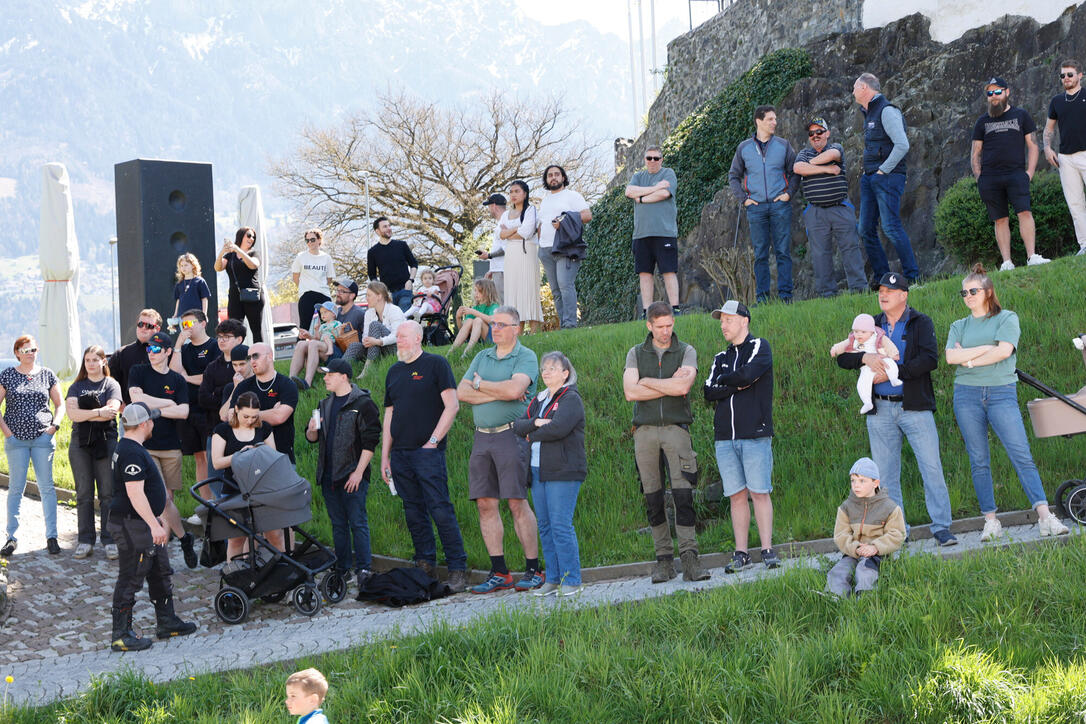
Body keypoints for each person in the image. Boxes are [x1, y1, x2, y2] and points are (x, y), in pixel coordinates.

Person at [945, 264, 1070, 540]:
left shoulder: (1007, 318)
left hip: (1001, 393)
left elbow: (1003, 352)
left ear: (988, 291)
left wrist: (967, 356)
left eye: (973, 290)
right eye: (963, 292)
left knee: (1021, 454)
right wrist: (978, 352)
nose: (967, 296)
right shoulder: (958, 325)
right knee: (978, 460)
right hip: (966, 395)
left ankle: (1045, 517)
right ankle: (990, 521)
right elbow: (950, 358)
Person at [835, 272, 958, 547]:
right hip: (879, 410)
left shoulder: (920, 322)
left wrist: (893, 373)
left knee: (931, 468)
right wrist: (864, 357)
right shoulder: (870, 324)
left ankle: (942, 528)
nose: (883, 294)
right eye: (880, 290)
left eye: (890, 290)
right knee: (886, 477)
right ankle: (898, 533)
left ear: (904, 295)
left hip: (914, 407)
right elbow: (843, 357)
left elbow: (929, 359)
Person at [456, 306, 542, 593]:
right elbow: (461, 392)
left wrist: (481, 385)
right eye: (493, 324)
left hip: (510, 436)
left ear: (516, 328)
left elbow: (515, 392)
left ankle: (533, 569)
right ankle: (500, 572)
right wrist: (494, 389)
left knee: (517, 501)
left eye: (502, 325)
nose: (495, 329)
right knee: (485, 503)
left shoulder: (526, 356)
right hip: (482, 438)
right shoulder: (483, 356)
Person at [380, 322, 468, 593]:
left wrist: (433, 442)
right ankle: (425, 564)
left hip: (427, 454)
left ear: (418, 338)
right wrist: (385, 456)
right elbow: (389, 415)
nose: (399, 342)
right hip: (400, 455)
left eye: (403, 337)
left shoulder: (436, 365)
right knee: (413, 512)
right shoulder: (393, 372)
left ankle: (457, 569)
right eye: (397, 338)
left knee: (440, 508)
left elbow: (452, 406)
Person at [623, 302, 708, 583]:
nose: (665, 331)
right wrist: (662, 383)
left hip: (676, 430)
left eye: (669, 325)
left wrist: (646, 382)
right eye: (660, 327)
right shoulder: (636, 353)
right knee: (652, 497)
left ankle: (690, 558)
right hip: (644, 432)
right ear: (649, 325)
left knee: (684, 495)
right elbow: (629, 392)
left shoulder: (686, 351)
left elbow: (683, 387)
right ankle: (663, 560)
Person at [106, 402, 197, 652]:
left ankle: (166, 622)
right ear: (144, 424)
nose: (154, 423)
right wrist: (152, 524)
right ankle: (121, 634)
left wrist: (155, 519)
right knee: (131, 576)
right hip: (131, 524)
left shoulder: (132, 447)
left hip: (142, 522)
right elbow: (134, 493)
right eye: (152, 420)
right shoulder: (132, 452)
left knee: (159, 570)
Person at [704, 300, 779, 573]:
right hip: (725, 437)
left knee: (759, 492)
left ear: (744, 321)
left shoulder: (760, 346)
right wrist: (736, 384)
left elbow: (750, 372)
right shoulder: (719, 358)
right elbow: (708, 391)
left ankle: (768, 549)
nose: (723, 325)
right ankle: (741, 553)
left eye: (728, 319)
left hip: (755, 433)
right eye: (721, 320)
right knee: (736, 496)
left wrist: (728, 380)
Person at [512, 351, 586, 597]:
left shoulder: (570, 397)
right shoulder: (540, 399)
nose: (546, 372)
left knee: (561, 525)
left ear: (565, 373)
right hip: (537, 469)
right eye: (544, 368)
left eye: (552, 368)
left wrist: (531, 432)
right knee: (544, 526)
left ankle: (572, 580)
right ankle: (553, 579)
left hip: (563, 470)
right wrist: (535, 423)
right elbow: (518, 425)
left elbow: (559, 429)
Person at [304, 358, 382, 591]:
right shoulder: (323, 404)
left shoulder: (363, 403)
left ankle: (364, 569)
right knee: (338, 524)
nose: (325, 378)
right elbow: (313, 439)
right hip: (329, 476)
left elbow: (371, 442)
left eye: (329, 374)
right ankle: (343, 568)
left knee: (358, 522)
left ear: (344, 376)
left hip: (353, 474)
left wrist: (358, 473)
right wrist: (310, 430)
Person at [128, 330, 198, 568]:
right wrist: (168, 403)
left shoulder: (177, 380)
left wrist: (154, 408)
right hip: (145, 446)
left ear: (168, 351)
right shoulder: (138, 371)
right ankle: (160, 552)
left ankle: (181, 539)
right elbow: (137, 400)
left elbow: (184, 412)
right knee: (156, 498)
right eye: (149, 348)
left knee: (167, 500)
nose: (151, 353)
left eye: (156, 349)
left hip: (171, 446)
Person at [971, 76, 1048, 270]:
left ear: (1007, 92)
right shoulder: (982, 122)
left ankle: (1032, 256)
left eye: (998, 92)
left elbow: (1033, 146)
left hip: (1016, 174)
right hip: (990, 178)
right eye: (990, 93)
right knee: (1000, 219)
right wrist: (980, 178)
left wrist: (1029, 172)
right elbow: (975, 153)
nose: (994, 96)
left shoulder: (1021, 115)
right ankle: (1007, 262)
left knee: (1024, 212)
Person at [852, 72, 920, 285]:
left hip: (887, 178)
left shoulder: (887, 110)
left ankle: (912, 277)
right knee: (865, 229)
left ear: (864, 88)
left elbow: (902, 144)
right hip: (871, 178)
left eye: (855, 87)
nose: (852, 92)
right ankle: (883, 278)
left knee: (891, 227)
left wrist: (883, 171)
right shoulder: (869, 113)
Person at [727, 105, 799, 303]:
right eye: (770, 119)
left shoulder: (783, 145)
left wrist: (788, 194)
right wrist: (744, 199)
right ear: (759, 121)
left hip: (779, 205)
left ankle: (786, 297)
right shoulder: (744, 148)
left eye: (775, 119)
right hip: (756, 208)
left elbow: (794, 173)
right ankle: (763, 299)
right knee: (760, 254)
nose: (774, 122)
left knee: (783, 251)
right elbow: (733, 176)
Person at [1, 335, 63, 556]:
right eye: (25, 350)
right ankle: (11, 538)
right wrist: (7, 433)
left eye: (33, 349)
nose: (30, 353)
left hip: (42, 440)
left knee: (47, 487)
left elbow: (60, 405)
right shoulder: (7, 375)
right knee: (16, 488)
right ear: (17, 352)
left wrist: (54, 427)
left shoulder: (47, 374)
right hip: (16, 440)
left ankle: (52, 536)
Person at [792, 117, 868, 297]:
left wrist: (810, 165)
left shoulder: (836, 148)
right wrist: (826, 169)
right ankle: (828, 294)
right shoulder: (803, 153)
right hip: (816, 211)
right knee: (820, 255)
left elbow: (831, 156)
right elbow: (797, 168)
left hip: (840, 207)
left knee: (851, 249)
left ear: (827, 133)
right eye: (811, 133)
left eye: (819, 131)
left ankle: (859, 291)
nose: (815, 136)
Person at [65, 345, 122, 560]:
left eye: (94, 360)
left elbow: (112, 412)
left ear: (103, 362)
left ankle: (110, 540)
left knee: (108, 493)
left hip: (106, 443)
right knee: (84, 494)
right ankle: (85, 540)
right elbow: (72, 415)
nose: (90, 363)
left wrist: (86, 413)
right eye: (87, 360)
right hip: (80, 445)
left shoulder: (112, 385)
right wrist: (98, 411)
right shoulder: (76, 386)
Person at [210, 391, 282, 561]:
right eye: (246, 416)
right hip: (233, 489)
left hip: (260, 488)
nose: (250, 420)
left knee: (275, 534)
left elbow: (274, 457)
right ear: (236, 410)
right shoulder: (223, 430)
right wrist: (239, 455)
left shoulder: (263, 428)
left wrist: (259, 452)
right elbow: (217, 462)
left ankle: (281, 569)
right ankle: (233, 574)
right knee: (236, 539)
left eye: (254, 416)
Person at [827, 457, 905, 598]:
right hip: (853, 552)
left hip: (878, 554)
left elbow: (897, 534)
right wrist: (855, 548)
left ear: (875, 483)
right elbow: (840, 535)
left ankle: (865, 595)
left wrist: (875, 547)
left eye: (862, 481)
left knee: (865, 569)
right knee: (840, 570)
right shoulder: (846, 507)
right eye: (853, 480)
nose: (856, 485)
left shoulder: (889, 507)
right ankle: (835, 596)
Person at [170, 308, 220, 505]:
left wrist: (187, 378)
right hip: (188, 410)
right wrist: (179, 344)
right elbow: (175, 374)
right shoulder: (185, 349)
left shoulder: (214, 346)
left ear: (203, 323)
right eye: (183, 325)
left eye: (190, 323)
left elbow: (210, 378)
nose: (186, 328)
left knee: (211, 458)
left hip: (208, 410)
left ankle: (218, 504)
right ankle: (205, 506)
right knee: (199, 457)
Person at [625, 145, 680, 315]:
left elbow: (664, 194)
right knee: (644, 273)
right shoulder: (638, 176)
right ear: (645, 160)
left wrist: (640, 198)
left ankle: (675, 309)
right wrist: (656, 188)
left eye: (656, 158)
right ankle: (646, 312)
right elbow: (629, 192)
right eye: (649, 158)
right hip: (641, 234)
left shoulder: (668, 173)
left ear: (661, 160)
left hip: (664, 232)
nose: (653, 161)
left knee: (669, 271)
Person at [538, 165, 592, 328]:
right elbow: (541, 224)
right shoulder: (545, 200)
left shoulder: (572, 196)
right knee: (555, 291)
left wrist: (564, 220)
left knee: (565, 285)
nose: (553, 177)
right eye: (550, 175)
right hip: (545, 249)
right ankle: (564, 324)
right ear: (546, 180)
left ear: (563, 177)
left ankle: (570, 324)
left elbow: (587, 215)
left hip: (566, 248)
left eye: (556, 174)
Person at [228, 342, 298, 462]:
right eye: (249, 358)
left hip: (281, 456)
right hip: (249, 458)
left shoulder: (287, 384)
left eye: (256, 356)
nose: (252, 361)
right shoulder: (243, 386)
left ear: (270, 356)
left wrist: (245, 416)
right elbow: (231, 417)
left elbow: (279, 417)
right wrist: (272, 412)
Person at [1043, 59, 1086, 255]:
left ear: (1080, 76)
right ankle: (1084, 245)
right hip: (1065, 158)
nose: (1066, 78)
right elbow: (1049, 128)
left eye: (1070, 74)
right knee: (1075, 203)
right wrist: (1047, 147)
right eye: (1063, 75)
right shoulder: (1057, 101)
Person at [198, 318, 248, 486]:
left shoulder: (250, 363)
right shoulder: (212, 367)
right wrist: (225, 391)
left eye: (227, 336)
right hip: (215, 429)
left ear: (239, 339)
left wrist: (216, 392)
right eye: (219, 336)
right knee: (216, 481)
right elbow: (203, 398)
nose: (221, 340)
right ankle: (218, 511)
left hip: (244, 432)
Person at [830, 313, 902, 415]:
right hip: (866, 368)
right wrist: (835, 349)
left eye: (863, 332)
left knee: (891, 364)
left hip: (882, 359)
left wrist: (894, 353)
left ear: (871, 331)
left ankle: (894, 378)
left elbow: (888, 344)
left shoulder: (878, 336)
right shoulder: (853, 340)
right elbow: (843, 347)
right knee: (862, 384)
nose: (859, 335)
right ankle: (867, 403)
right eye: (856, 331)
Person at [500, 180, 543, 333]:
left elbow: (526, 232)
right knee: (514, 291)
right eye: (511, 192)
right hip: (511, 255)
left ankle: (534, 331)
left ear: (525, 194)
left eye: (517, 191)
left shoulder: (531, 210)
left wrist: (510, 232)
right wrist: (517, 229)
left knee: (529, 289)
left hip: (527, 253)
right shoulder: (505, 214)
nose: (513, 194)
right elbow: (501, 234)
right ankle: (517, 331)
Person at [215, 227, 263, 342]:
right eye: (249, 235)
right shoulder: (230, 256)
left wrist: (238, 250)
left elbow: (253, 265)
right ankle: (237, 357)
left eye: (253, 237)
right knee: (234, 329)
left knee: (256, 329)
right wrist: (223, 251)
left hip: (252, 295)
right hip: (235, 296)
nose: (251, 239)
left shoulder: (254, 253)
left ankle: (260, 356)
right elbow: (218, 268)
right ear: (240, 236)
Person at [356, 281, 406, 380]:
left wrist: (378, 341)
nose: (367, 298)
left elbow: (397, 336)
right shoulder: (369, 313)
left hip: (396, 349)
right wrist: (366, 341)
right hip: (377, 349)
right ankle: (338, 372)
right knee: (354, 346)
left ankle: (367, 369)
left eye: (369, 295)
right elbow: (365, 335)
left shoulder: (394, 310)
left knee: (375, 325)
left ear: (379, 296)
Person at [366, 216, 418, 311]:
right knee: (390, 322)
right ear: (377, 231)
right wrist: (378, 290)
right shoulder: (372, 252)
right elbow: (372, 274)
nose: (389, 228)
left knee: (403, 319)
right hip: (387, 295)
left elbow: (414, 264)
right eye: (385, 226)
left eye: (389, 226)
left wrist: (411, 280)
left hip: (405, 291)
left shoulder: (401, 245)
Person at [108, 308, 158, 405]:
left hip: (161, 413)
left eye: (149, 326)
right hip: (129, 413)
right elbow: (110, 388)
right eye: (140, 324)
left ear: (157, 329)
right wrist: (126, 410)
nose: (143, 328)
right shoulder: (120, 354)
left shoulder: (166, 353)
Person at [289, 302, 342, 391]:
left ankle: (307, 383)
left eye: (325, 312)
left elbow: (340, 337)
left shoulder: (337, 324)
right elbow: (317, 338)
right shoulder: (322, 326)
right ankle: (290, 381)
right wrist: (308, 335)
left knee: (313, 343)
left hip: (333, 348)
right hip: (321, 345)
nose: (323, 315)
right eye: (321, 313)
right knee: (301, 343)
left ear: (333, 314)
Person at [291, 228, 336, 332]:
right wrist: (305, 287)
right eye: (307, 240)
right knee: (304, 327)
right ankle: (301, 347)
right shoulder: (301, 257)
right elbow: (295, 277)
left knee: (328, 327)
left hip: (323, 294)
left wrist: (319, 285)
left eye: (312, 239)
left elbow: (329, 279)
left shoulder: (326, 258)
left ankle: (328, 347)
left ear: (319, 240)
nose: (310, 242)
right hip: (306, 294)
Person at [448, 278, 500, 358]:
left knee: (478, 320)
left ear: (488, 293)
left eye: (479, 291)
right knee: (469, 321)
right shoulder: (475, 308)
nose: (476, 293)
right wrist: (458, 318)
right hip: (478, 340)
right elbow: (463, 330)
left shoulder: (494, 306)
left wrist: (474, 312)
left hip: (491, 339)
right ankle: (452, 351)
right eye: (475, 290)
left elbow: (492, 320)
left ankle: (468, 351)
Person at [331, 278, 367, 364]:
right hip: (336, 351)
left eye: (342, 291)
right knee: (309, 345)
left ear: (352, 296)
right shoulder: (336, 313)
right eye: (337, 290)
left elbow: (366, 339)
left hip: (353, 355)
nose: (338, 294)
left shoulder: (359, 313)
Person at [478, 193, 507, 301]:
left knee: (504, 302)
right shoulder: (501, 222)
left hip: (503, 270)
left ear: (494, 206)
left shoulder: (505, 222)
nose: (489, 210)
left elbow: (506, 248)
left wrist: (489, 255)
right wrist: (492, 269)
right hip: (498, 269)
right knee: (501, 301)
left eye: (489, 207)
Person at [171, 253, 210, 323]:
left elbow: (204, 299)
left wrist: (204, 314)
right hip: (182, 317)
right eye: (181, 266)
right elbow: (178, 300)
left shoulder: (200, 281)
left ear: (193, 266)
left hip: (196, 317)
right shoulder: (179, 284)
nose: (183, 268)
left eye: (186, 265)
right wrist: (175, 314)